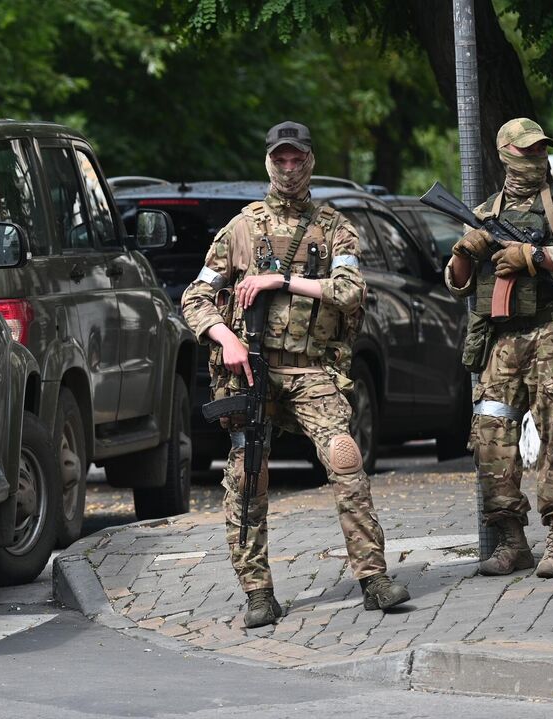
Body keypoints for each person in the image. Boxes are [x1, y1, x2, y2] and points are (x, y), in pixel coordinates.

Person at [181, 121, 409, 628]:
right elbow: (194, 298)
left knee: (345, 459)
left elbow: (351, 291)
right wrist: (227, 338)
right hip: (252, 375)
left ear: (310, 161)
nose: (289, 168)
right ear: (269, 160)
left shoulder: (334, 228)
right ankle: (258, 593)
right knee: (248, 476)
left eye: (297, 159)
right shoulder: (241, 229)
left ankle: (373, 579)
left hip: (311, 370)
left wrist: (282, 279)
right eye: (280, 158)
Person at [446, 118, 553, 579]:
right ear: (504, 153)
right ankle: (512, 541)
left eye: (540, 151)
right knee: (491, 437)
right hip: (502, 341)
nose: (535, 159)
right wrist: (463, 251)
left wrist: (533, 256)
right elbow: (456, 284)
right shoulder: (485, 212)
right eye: (526, 151)